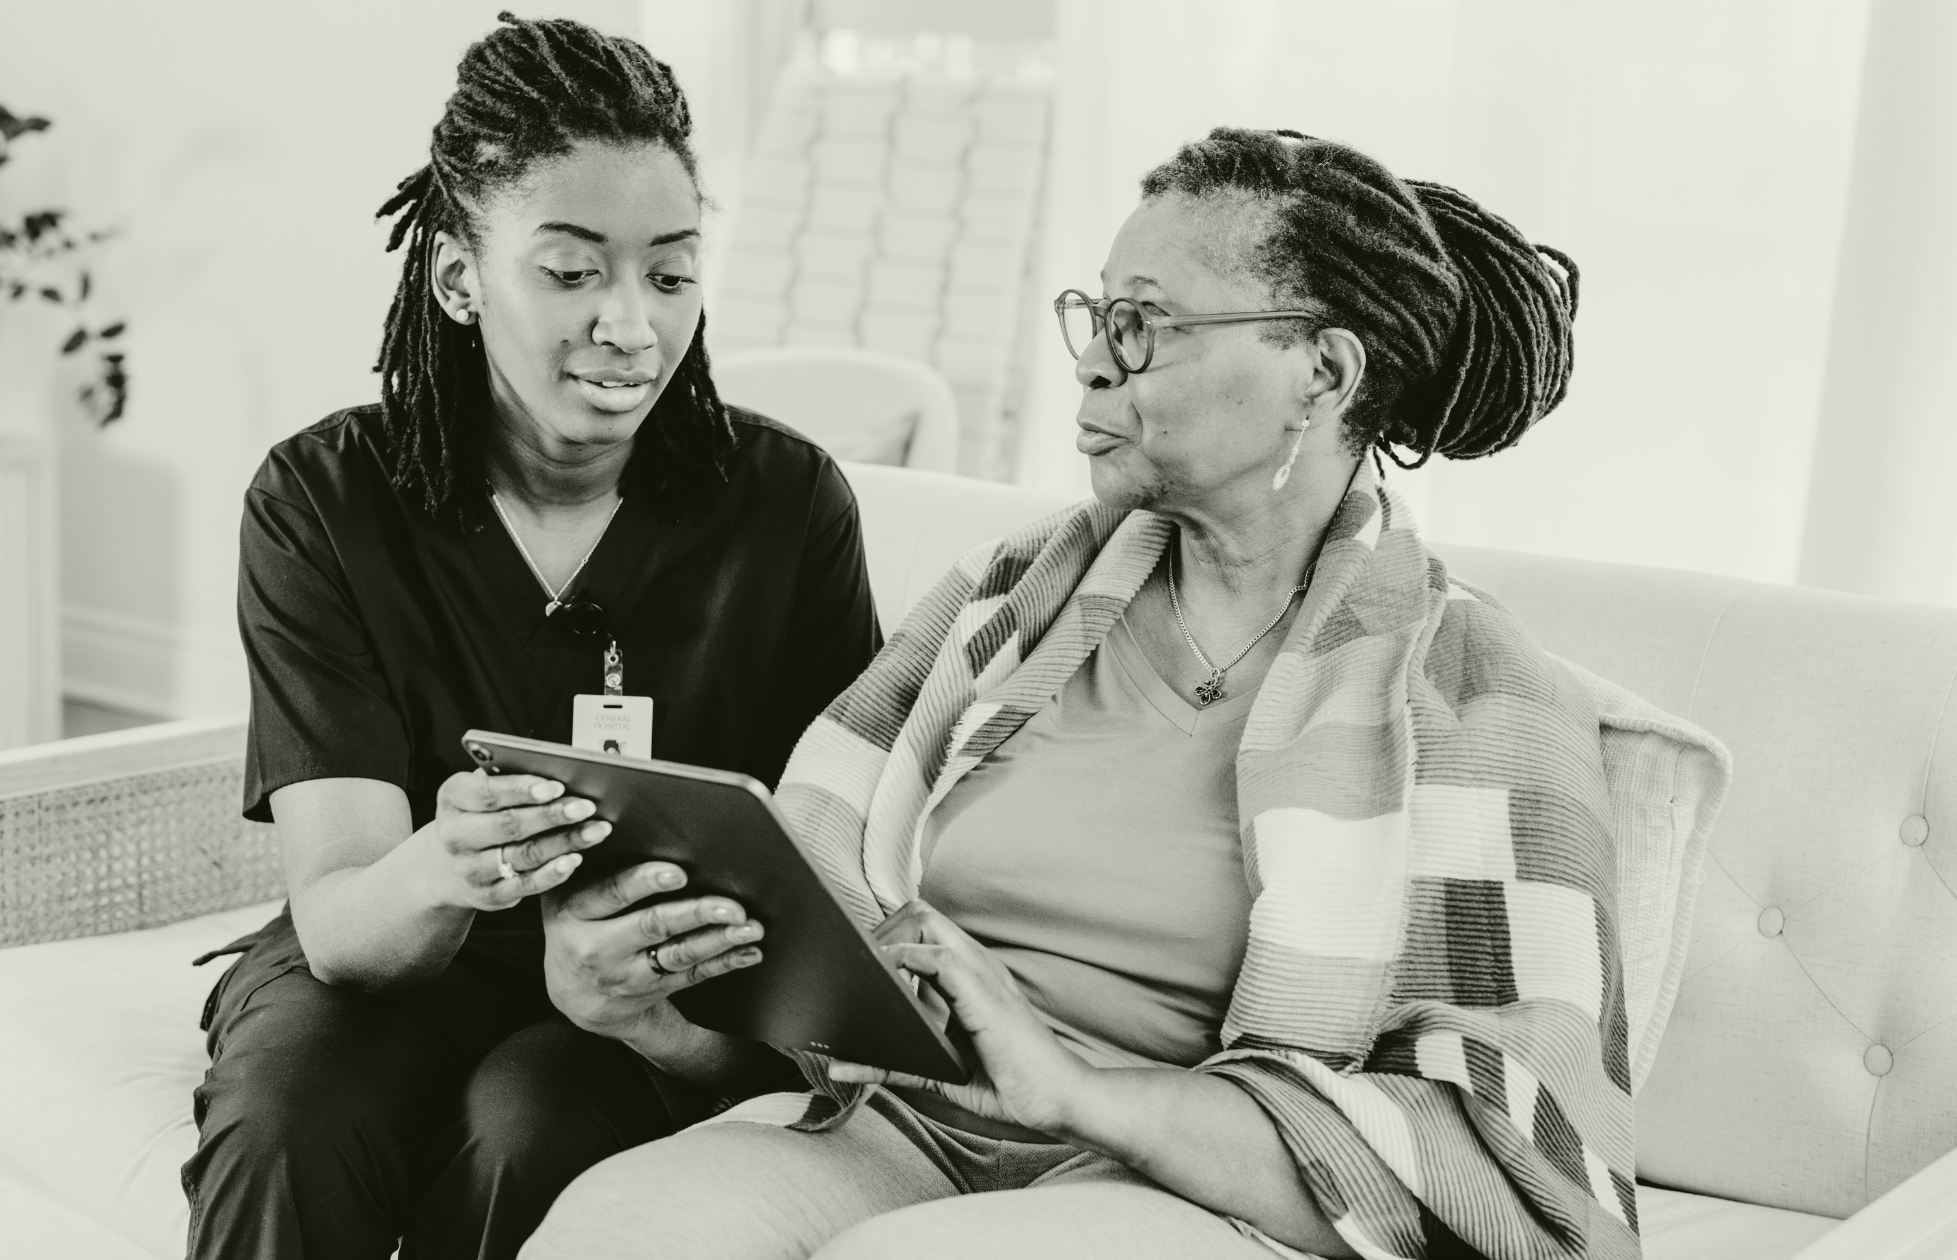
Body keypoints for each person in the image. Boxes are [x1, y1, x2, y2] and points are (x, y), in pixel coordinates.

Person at [526, 127, 1645, 1260]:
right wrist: (651, 1015)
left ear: (1324, 372)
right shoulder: (1010, 600)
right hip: (906, 1123)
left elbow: (1500, 1170)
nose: (1094, 363)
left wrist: (1076, 1087)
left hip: (1196, 1190)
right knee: (614, 1230)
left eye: (1143, 325)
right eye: (1096, 316)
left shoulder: (1473, 693)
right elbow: (826, 1011)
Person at [182, 14, 881, 1260]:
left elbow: (833, 881)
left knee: (531, 1133)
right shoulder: (324, 500)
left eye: (669, 274)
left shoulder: (786, 506)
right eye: (570, 272)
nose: (631, 325)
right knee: (284, 1123)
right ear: (458, 277)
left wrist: (664, 1007)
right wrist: (453, 860)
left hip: (640, 990)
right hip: (398, 944)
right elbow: (345, 926)